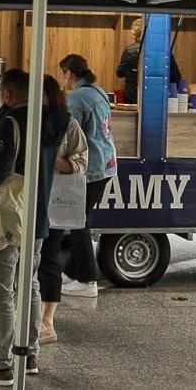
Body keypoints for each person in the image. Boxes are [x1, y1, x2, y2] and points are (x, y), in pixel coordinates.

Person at [0, 69, 68, 386]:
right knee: (29, 286)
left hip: (6, 218)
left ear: (7, 95)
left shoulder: (11, 123)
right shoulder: (53, 122)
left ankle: (1, 364)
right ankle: (29, 354)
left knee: (0, 293)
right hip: (37, 216)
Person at [57, 53, 119, 298]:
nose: (61, 78)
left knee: (77, 222)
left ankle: (88, 279)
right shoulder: (98, 91)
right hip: (107, 163)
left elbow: (69, 134)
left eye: (62, 73)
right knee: (80, 218)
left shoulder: (77, 98)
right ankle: (71, 274)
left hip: (91, 167)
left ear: (69, 74)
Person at [36, 74, 88, 345]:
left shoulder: (68, 125)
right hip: (24, 200)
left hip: (54, 199)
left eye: (40, 95)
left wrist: (48, 155)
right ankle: (32, 315)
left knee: (48, 257)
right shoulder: (25, 120)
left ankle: (47, 322)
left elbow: (80, 162)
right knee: (25, 260)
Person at [116, 19, 144, 105]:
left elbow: (119, 73)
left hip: (131, 97)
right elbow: (175, 76)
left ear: (134, 33)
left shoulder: (129, 50)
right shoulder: (161, 51)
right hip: (155, 97)